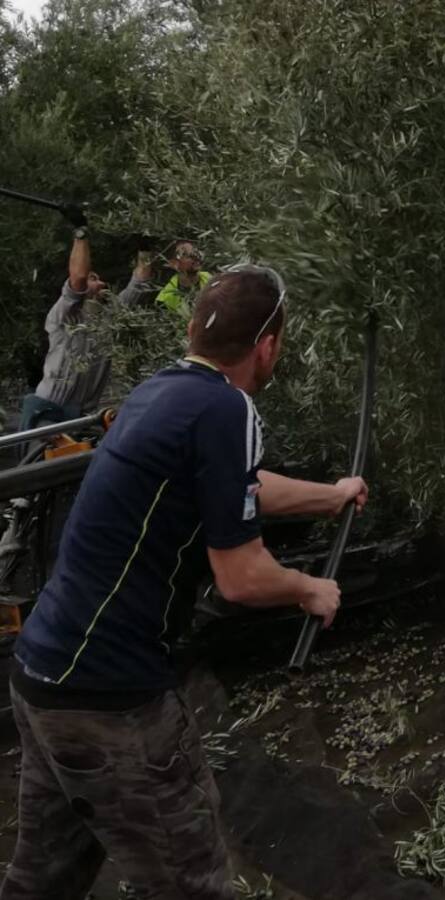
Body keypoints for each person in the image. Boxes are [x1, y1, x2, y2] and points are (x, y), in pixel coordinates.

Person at [1, 266, 367, 899]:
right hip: (111, 698)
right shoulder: (229, 409)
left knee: (44, 878)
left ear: (195, 328)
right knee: (190, 880)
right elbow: (241, 578)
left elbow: (240, 489)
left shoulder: (161, 391)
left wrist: (329, 497)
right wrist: (311, 588)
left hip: (42, 674)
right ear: (268, 347)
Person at [19, 207, 154, 431]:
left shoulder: (110, 316)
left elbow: (140, 284)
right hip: (47, 415)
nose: (101, 284)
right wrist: (80, 231)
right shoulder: (64, 314)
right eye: (95, 279)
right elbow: (79, 277)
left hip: (84, 419)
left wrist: (145, 249)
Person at [156, 239, 212, 317]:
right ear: (173, 263)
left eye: (195, 252)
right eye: (187, 255)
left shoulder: (213, 281)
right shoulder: (165, 299)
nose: (196, 257)